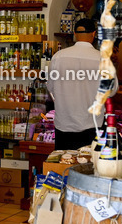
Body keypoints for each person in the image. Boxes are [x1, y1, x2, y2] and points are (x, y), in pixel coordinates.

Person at [46, 18, 111, 150]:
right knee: (89, 165)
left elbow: (50, 87)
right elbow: (111, 90)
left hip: (64, 126)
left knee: (63, 164)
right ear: (93, 34)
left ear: (75, 34)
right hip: (92, 125)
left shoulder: (59, 57)